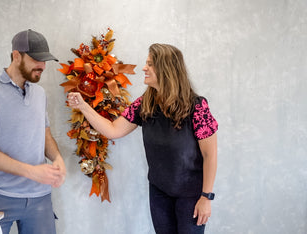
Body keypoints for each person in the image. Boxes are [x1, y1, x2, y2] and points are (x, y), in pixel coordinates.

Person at [67, 43, 218, 234]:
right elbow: (113, 130)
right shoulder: (145, 104)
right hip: (159, 192)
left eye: (150, 64)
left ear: (167, 69)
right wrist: (83, 106)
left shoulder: (197, 107)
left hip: (191, 196)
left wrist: (206, 197)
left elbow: (210, 155)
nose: (144, 68)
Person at [0, 29, 66, 234]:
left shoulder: (39, 93)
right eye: (36, 59)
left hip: (39, 197)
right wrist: (32, 171)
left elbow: (45, 134)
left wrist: (57, 158)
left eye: (45, 60)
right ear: (16, 55)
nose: (42, 66)